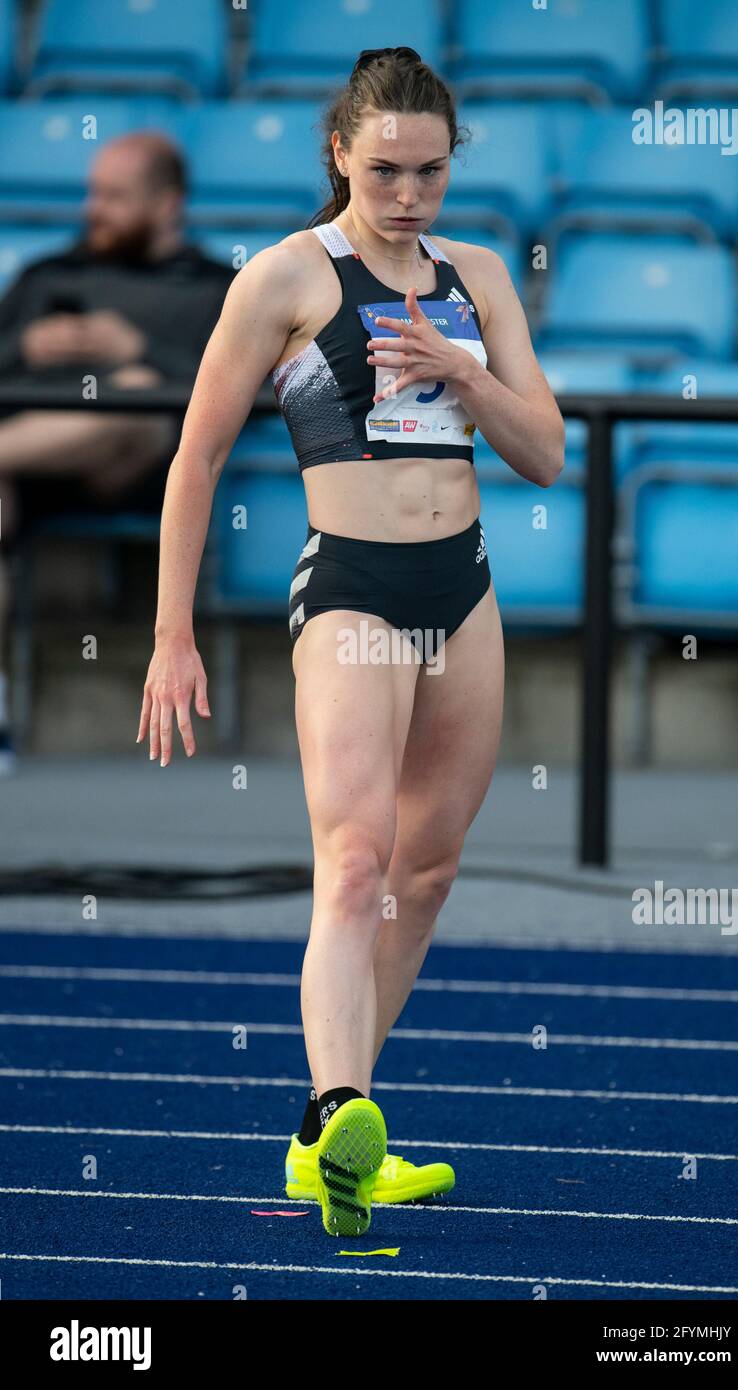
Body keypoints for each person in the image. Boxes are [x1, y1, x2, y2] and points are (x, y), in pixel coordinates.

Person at [137, 47, 564, 1237]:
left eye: (429, 172)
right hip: (354, 591)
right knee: (359, 860)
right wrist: (173, 633)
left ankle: (330, 1136)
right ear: (340, 152)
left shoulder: (476, 276)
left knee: (426, 872)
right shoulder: (286, 276)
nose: (408, 195)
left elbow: (544, 453)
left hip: (461, 587)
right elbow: (195, 457)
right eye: (384, 171)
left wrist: (457, 376)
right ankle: (335, 1111)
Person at [0, 130, 235, 771]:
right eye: (93, 194)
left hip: (141, 467)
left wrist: (133, 350)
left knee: (132, 392)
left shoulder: (215, 287)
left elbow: (236, 389)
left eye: (114, 196)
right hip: (28, 463)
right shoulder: (49, 274)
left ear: (167, 205)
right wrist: (26, 348)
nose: (94, 209)